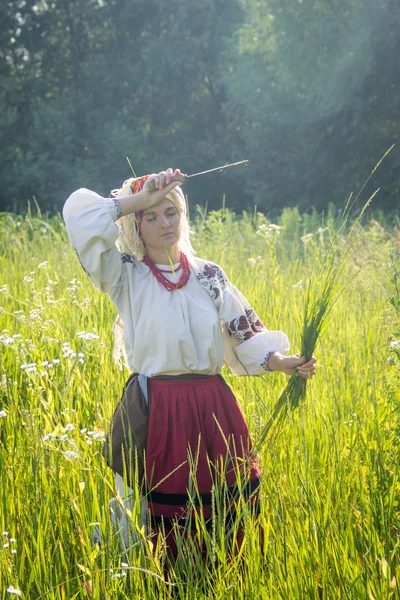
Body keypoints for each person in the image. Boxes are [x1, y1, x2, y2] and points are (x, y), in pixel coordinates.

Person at [62, 168, 317, 558]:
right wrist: (139, 197)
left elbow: (244, 336)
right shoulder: (125, 276)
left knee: (224, 517)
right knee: (159, 519)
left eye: (171, 212)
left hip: (213, 408)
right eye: (151, 215)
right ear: (137, 224)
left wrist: (284, 362)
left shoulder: (208, 274)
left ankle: (223, 579)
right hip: (157, 409)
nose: (164, 222)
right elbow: (79, 215)